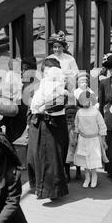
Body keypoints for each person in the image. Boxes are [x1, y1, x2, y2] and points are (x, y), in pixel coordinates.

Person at [27, 58, 69, 199]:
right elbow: (31, 106)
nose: (47, 75)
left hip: (53, 127)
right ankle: (39, 187)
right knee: (35, 157)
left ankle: (52, 191)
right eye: (45, 71)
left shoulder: (61, 87)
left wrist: (43, 107)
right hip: (37, 125)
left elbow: (57, 104)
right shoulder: (38, 87)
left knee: (51, 160)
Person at [0, 57, 38, 143]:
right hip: (14, 119)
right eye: (21, 69)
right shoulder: (18, 80)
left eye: (24, 69)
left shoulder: (35, 85)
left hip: (24, 121)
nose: (21, 72)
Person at [73, 91, 108, 188]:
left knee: (93, 158)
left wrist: (103, 140)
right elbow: (76, 125)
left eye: (87, 103)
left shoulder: (96, 112)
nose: (85, 105)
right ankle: (87, 177)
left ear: (90, 101)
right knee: (84, 159)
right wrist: (75, 138)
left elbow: (102, 127)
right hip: (83, 139)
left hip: (94, 139)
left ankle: (94, 176)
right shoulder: (79, 112)